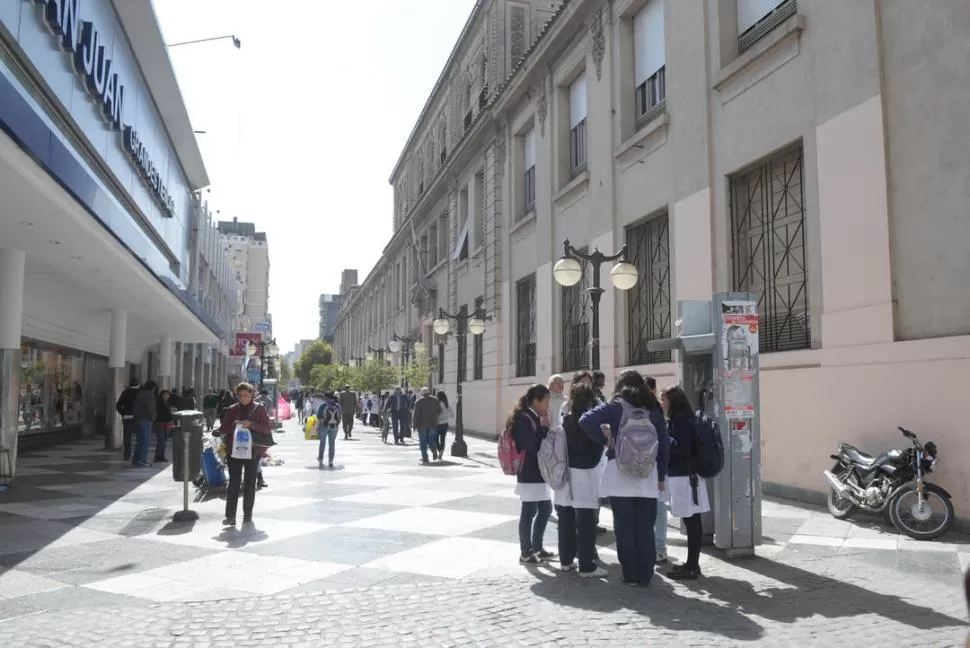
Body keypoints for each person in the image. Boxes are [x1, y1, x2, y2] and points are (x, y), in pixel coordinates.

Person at [580, 370, 668, 587]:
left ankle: (630, 574)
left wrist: (606, 440)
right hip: (648, 474)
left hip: (619, 472)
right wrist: (662, 474)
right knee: (646, 527)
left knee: (624, 527)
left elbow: (585, 420)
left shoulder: (614, 406)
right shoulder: (654, 407)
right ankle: (646, 574)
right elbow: (664, 443)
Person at [555, 383, 606, 578]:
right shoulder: (592, 422)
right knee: (585, 521)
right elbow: (596, 450)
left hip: (567, 475)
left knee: (566, 518)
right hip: (585, 474)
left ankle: (566, 560)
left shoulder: (565, 421)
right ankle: (586, 565)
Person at [662, 385, 710, 580]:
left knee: (692, 522)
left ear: (673, 401)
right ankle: (692, 564)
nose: (662, 403)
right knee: (692, 521)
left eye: (663, 399)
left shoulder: (680, 421)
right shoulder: (681, 419)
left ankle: (692, 566)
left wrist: (665, 438)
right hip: (686, 476)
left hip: (685, 477)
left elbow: (683, 448)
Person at [510, 384, 556, 565]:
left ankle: (537, 547)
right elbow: (532, 446)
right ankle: (526, 552)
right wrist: (544, 429)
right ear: (536, 401)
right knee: (529, 511)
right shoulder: (523, 418)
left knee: (545, 509)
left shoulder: (534, 415)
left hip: (538, 471)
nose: (548, 405)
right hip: (529, 472)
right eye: (546, 401)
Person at [220, 382, 274, 526]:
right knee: (234, 483)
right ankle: (230, 516)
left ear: (252, 395)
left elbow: (267, 429)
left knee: (250, 483)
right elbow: (223, 428)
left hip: (253, 451)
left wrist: (252, 425)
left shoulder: (259, 409)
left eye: (246, 395)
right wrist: (235, 425)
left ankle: (247, 515)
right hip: (234, 452)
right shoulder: (232, 409)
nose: (243, 398)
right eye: (241, 395)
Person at [644, 375, 669, 563]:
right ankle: (660, 549)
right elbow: (663, 446)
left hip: (640, 469)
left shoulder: (635, 409)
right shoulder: (656, 410)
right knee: (659, 510)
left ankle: (654, 548)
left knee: (650, 510)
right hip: (654, 468)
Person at [132, 380, 157, 467]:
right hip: (146, 420)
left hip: (138, 419)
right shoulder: (149, 395)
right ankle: (142, 459)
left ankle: (136, 459)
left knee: (139, 441)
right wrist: (153, 417)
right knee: (145, 441)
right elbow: (151, 408)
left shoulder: (140, 393)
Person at [412, 387, 441, 464]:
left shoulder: (419, 401)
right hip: (433, 424)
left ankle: (425, 458)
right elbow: (439, 411)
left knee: (423, 441)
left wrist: (414, 425)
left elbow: (416, 415)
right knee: (431, 439)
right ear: (428, 392)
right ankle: (434, 452)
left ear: (422, 393)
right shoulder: (435, 400)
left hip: (422, 425)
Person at [115, 377, 140, 461]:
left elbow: (118, 405)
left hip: (127, 417)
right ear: (138, 384)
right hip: (138, 417)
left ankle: (127, 454)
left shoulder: (125, 392)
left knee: (127, 436)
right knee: (139, 437)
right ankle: (138, 454)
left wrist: (123, 413)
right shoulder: (140, 393)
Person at [316, 392, 342, 469]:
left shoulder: (323, 405)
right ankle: (331, 461)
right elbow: (340, 416)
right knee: (332, 443)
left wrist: (318, 426)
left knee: (322, 442)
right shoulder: (337, 406)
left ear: (326, 398)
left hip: (324, 426)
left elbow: (318, 416)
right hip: (334, 426)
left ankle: (320, 459)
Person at [155, 389, 175, 462]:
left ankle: (161, 456)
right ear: (162, 395)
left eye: (167, 395)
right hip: (159, 423)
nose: (166, 396)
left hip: (167, 423)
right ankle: (157, 456)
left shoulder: (168, 403)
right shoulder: (159, 403)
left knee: (164, 440)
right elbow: (160, 414)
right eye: (165, 395)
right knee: (161, 440)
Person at [435, 391, 453, 459]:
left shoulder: (437, 404)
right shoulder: (447, 405)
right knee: (443, 439)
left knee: (435, 439)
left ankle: (439, 450)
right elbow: (452, 415)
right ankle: (441, 451)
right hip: (445, 424)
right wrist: (445, 416)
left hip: (437, 424)